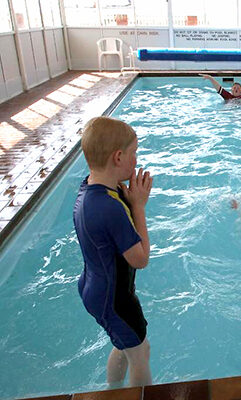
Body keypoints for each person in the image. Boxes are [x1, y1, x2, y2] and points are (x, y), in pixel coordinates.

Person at [73, 116, 153, 388]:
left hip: (96, 288)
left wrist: (129, 199)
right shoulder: (111, 208)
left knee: (124, 346)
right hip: (115, 299)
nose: (136, 160)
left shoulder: (92, 189)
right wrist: (139, 206)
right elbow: (140, 259)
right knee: (140, 354)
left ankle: (113, 392)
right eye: (134, 153)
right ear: (118, 157)